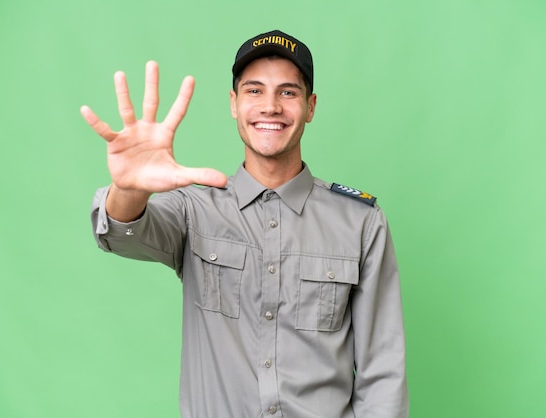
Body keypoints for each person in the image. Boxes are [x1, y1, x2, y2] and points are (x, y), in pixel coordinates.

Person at [82, 29, 409, 418]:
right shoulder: (194, 210)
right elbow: (121, 232)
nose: (270, 106)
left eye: (287, 92)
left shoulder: (360, 221)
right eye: (254, 91)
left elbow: (382, 371)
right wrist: (130, 188)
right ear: (234, 103)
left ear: (310, 106)